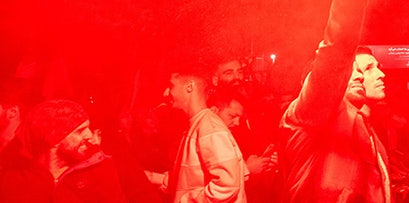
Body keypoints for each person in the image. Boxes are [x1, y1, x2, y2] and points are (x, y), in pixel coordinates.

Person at [278, 0, 390, 203]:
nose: (377, 75)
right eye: (363, 69)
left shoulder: (365, 129)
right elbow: (337, 48)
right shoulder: (310, 114)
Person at [0, 98, 160, 202]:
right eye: (79, 130)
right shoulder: (14, 181)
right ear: (53, 138)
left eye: (88, 127)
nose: (89, 135)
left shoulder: (108, 165)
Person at [165, 70, 248, 202]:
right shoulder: (198, 125)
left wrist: (185, 201)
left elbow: (227, 185)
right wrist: (148, 177)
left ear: (189, 87)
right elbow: (186, 179)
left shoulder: (209, 128)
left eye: (171, 86)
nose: (166, 92)